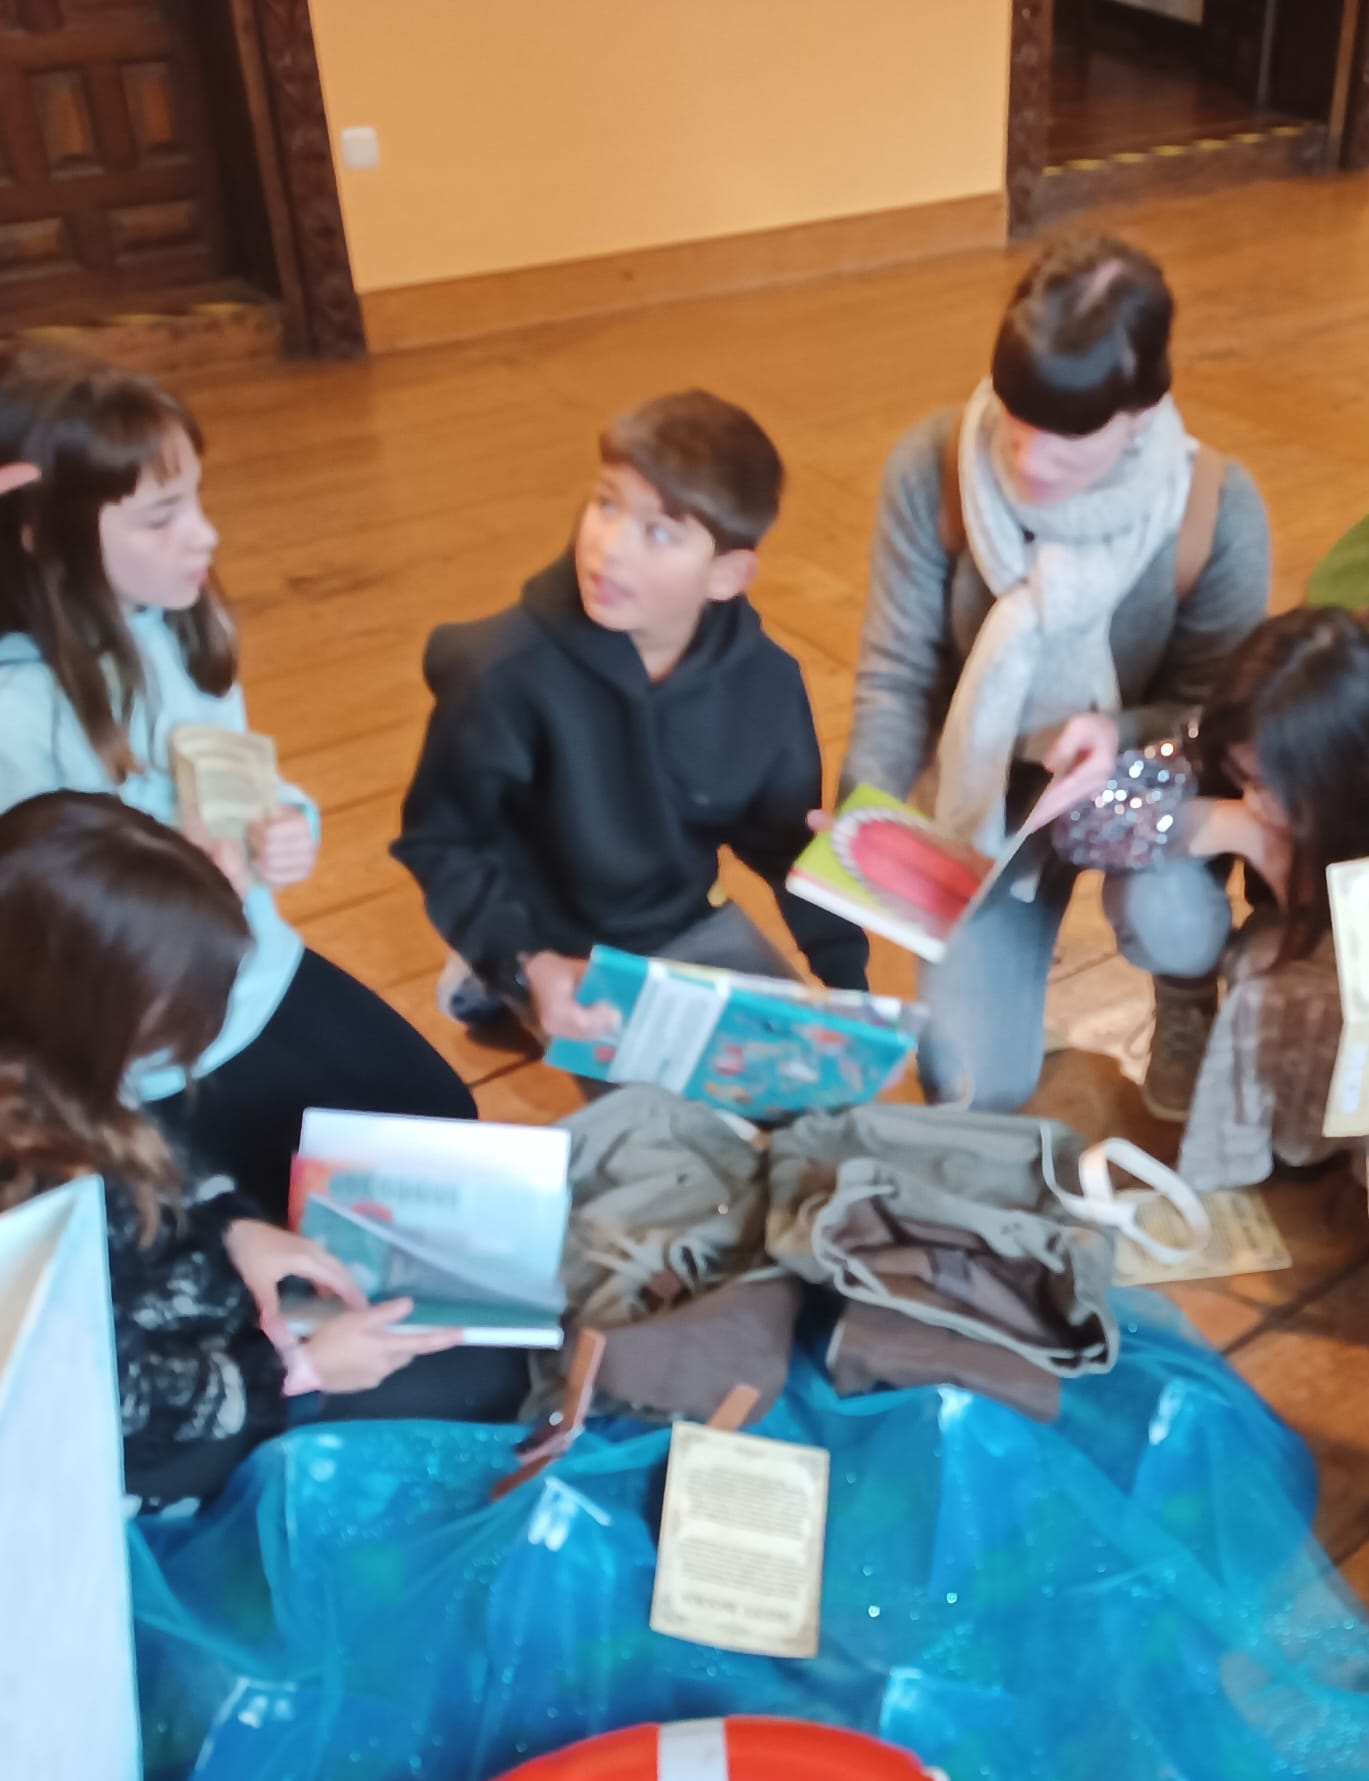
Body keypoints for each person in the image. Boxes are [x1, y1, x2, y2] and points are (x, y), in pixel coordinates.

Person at [0, 364, 475, 1218]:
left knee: (445, 1124)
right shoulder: (16, 722)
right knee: (263, 1221)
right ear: (39, 532)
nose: (206, 534)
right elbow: (48, 950)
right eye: (161, 517)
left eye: (197, 499)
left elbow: (247, 777)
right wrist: (180, 887)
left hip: (257, 972)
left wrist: (285, 822)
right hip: (140, 1055)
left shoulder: (178, 626)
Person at [0, 793, 527, 1511]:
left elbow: (160, 1159)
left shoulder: (54, 1073)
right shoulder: (34, 1201)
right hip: (160, 1432)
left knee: (467, 1342)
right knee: (476, 1380)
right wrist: (299, 1374)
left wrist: (233, 1225)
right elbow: (113, 1418)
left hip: (197, 1324)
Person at [843, 232, 1272, 1114]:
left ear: (1141, 413)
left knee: (1172, 917)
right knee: (970, 1086)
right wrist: (867, 818)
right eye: (1014, 422)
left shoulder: (1214, 511)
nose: (1029, 462)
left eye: (1068, 442)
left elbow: (1216, 716)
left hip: (1141, 785)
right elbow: (896, 674)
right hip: (986, 792)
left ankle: (1186, 994)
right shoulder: (933, 468)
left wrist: (1118, 736)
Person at [394, 389, 868, 1055]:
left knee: (813, 1077)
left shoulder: (767, 682)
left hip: (681, 918)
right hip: (553, 934)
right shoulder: (503, 670)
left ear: (727, 574)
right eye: (606, 503)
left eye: (660, 531)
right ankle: (487, 970)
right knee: (663, 1116)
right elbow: (442, 840)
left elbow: (785, 842)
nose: (610, 547)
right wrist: (524, 958)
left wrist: (848, 988)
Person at [1048, 607, 1369, 1182]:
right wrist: (1233, 825)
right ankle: (1185, 999)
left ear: (1356, 765)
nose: (1260, 800)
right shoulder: (1239, 739)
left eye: (1283, 788)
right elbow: (1080, 820)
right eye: (1244, 776)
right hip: (1295, 935)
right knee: (1155, 894)